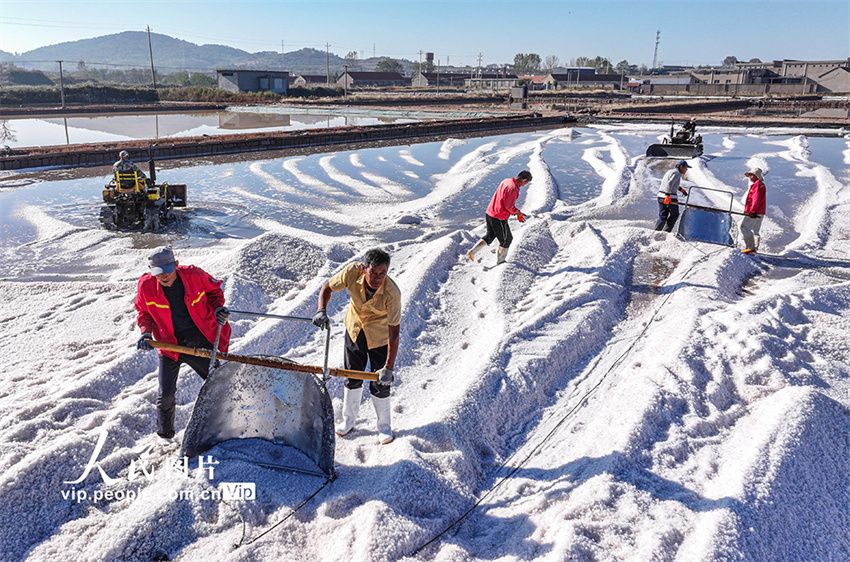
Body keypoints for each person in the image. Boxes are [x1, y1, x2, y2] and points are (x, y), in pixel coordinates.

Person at [135, 246, 231, 439]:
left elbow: (214, 293)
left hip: (199, 342)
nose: (164, 276)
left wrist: (218, 308)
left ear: (176, 265)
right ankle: (165, 436)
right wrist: (146, 333)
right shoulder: (146, 286)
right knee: (165, 396)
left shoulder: (195, 275)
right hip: (169, 345)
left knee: (219, 386)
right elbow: (144, 313)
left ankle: (225, 428)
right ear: (150, 269)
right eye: (158, 272)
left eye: (167, 271)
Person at [312, 248, 401, 445]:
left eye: (382, 273)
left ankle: (384, 427)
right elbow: (327, 287)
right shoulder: (352, 272)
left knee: (380, 383)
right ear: (364, 268)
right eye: (373, 272)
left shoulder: (392, 293)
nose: (377, 278)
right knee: (352, 376)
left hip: (379, 337)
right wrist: (321, 310)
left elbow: (394, 333)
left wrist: (389, 367)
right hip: (355, 330)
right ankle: (348, 421)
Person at [466, 170, 532, 265]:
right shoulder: (513, 188)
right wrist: (518, 213)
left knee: (490, 235)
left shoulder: (506, 181)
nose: (524, 185)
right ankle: (501, 262)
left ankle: (472, 252)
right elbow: (509, 206)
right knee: (507, 239)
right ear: (524, 180)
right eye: (526, 183)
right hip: (499, 217)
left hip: (490, 212)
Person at [654, 160, 691, 232]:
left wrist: (681, 189)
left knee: (663, 216)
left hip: (660, 196)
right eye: (685, 168)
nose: (686, 170)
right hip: (670, 197)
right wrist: (667, 195)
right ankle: (666, 232)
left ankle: (656, 232)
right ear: (681, 167)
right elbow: (669, 183)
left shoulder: (670, 172)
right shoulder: (677, 173)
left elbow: (671, 184)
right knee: (674, 214)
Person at [740, 167, 766, 254]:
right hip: (760, 211)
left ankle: (750, 247)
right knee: (755, 230)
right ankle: (754, 248)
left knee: (744, 227)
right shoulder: (760, 185)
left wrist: (752, 211)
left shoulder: (757, 185)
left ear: (756, 176)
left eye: (751, 175)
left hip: (755, 211)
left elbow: (755, 199)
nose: (750, 177)